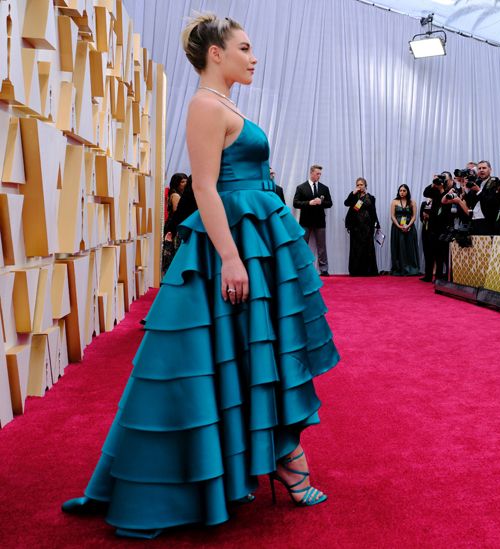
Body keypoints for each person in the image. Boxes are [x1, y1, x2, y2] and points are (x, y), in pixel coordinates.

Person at [60, 14, 340, 538]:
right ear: (216, 52)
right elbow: (206, 188)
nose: (254, 57)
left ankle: (279, 453)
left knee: (252, 353)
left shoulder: (227, 104)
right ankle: (269, 460)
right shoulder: (205, 105)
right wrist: (231, 259)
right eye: (245, 47)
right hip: (231, 249)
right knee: (211, 359)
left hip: (254, 244)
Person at [293, 164, 333, 276]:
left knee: (322, 246)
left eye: (320, 174)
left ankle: (324, 269)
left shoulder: (324, 188)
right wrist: (309, 203)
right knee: (303, 245)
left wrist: (322, 203)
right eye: (317, 173)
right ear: (311, 173)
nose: (319, 176)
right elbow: (295, 203)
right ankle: (302, 268)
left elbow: (330, 203)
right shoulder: (301, 187)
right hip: (305, 221)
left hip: (320, 222)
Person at [344, 177, 379, 276]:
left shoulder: (371, 197)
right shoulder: (354, 196)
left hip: (368, 226)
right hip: (356, 226)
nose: (360, 186)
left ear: (365, 186)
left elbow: (373, 211)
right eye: (358, 185)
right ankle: (356, 271)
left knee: (368, 248)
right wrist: (353, 193)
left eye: (361, 185)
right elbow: (346, 203)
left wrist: (377, 224)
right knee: (356, 248)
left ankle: (368, 271)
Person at [389, 184, 420, 276]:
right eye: (400, 190)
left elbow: (414, 216)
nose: (402, 192)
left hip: (409, 228)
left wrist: (408, 226)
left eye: (404, 191)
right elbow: (392, 216)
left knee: (409, 247)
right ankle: (399, 268)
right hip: (397, 229)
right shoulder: (394, 202)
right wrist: (399, 226)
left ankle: (411, 269)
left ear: (407, 192)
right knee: (398, 247)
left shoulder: (412, 202)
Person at [160, 172, 188, 273]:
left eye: (186, 181)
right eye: (182, 181)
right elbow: (177, 212)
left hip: (173, 224)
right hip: (174, 226)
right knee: (174, 250)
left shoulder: (176, 194)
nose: (185, 183)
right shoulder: (176, 195)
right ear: (177, 183)